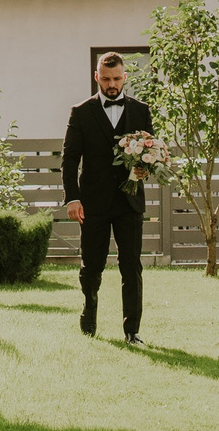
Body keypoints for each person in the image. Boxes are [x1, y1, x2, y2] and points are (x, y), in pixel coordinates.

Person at [62, 52, 152, 345]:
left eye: (116, 79)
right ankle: (89, 308)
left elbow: (150, 155)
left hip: (129, 203)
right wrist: (72, 199)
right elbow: (69, 159)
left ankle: (132, 331)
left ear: (125, 78)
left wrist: (142, 170)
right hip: (93, 204)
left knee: (131, 266)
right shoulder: (81, 111)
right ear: (96, 77)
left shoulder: (141, 110)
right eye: (106, 79)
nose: (111, 84)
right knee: (92, 266)